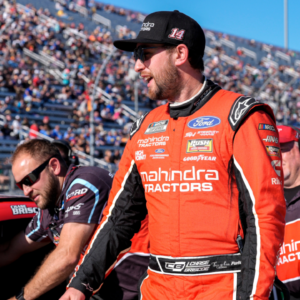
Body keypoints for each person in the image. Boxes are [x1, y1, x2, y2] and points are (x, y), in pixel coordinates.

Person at [61, 10, 286, 300]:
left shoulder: (240, 116)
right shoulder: (144, 127)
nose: (137, 66)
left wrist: (252, 296)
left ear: (180, 53)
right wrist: (79, 285)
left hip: (222, 289)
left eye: (145, 53)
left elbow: (264, 217)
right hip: (158, 289)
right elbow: (117, 218)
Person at [0, 139, 113, 300]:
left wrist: (19, 299)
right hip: (92, 289)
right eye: (20, 185)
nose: (25, 191)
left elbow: (67, 256)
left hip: (131, 289)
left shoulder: (85, 182)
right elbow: (10, 249)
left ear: (54, 166)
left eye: (29, 179)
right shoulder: (50, 207)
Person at [276, 125, 300, 300]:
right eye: (271, 152)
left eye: (282, 150)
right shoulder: (261, 203)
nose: (277, 158)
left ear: (297, 152)